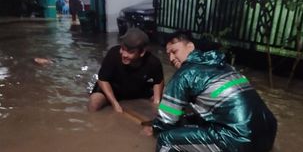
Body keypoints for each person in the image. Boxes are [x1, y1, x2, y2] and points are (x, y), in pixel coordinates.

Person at [143, 31, 277, 152]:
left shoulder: (185, 74)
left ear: (190, 47)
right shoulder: (223, 66)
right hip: (268, 134)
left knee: (166, 139)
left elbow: (167, 119)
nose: (171, 58)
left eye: (174, 51)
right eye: (168, 54)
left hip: (239, 141)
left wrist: (153, 128)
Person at [88, 28, 164, 112]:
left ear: (142, 52)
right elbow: (102, 80)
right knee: (94, 102)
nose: (124, 55)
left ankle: (178, 114)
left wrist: (156, 103)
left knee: (166, 98)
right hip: (114, 90)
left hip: (138, 90)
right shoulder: (113, 54)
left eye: (130, 52)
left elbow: (158, 81)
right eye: (122, 49)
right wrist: (115, 105)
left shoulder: (153, 62)